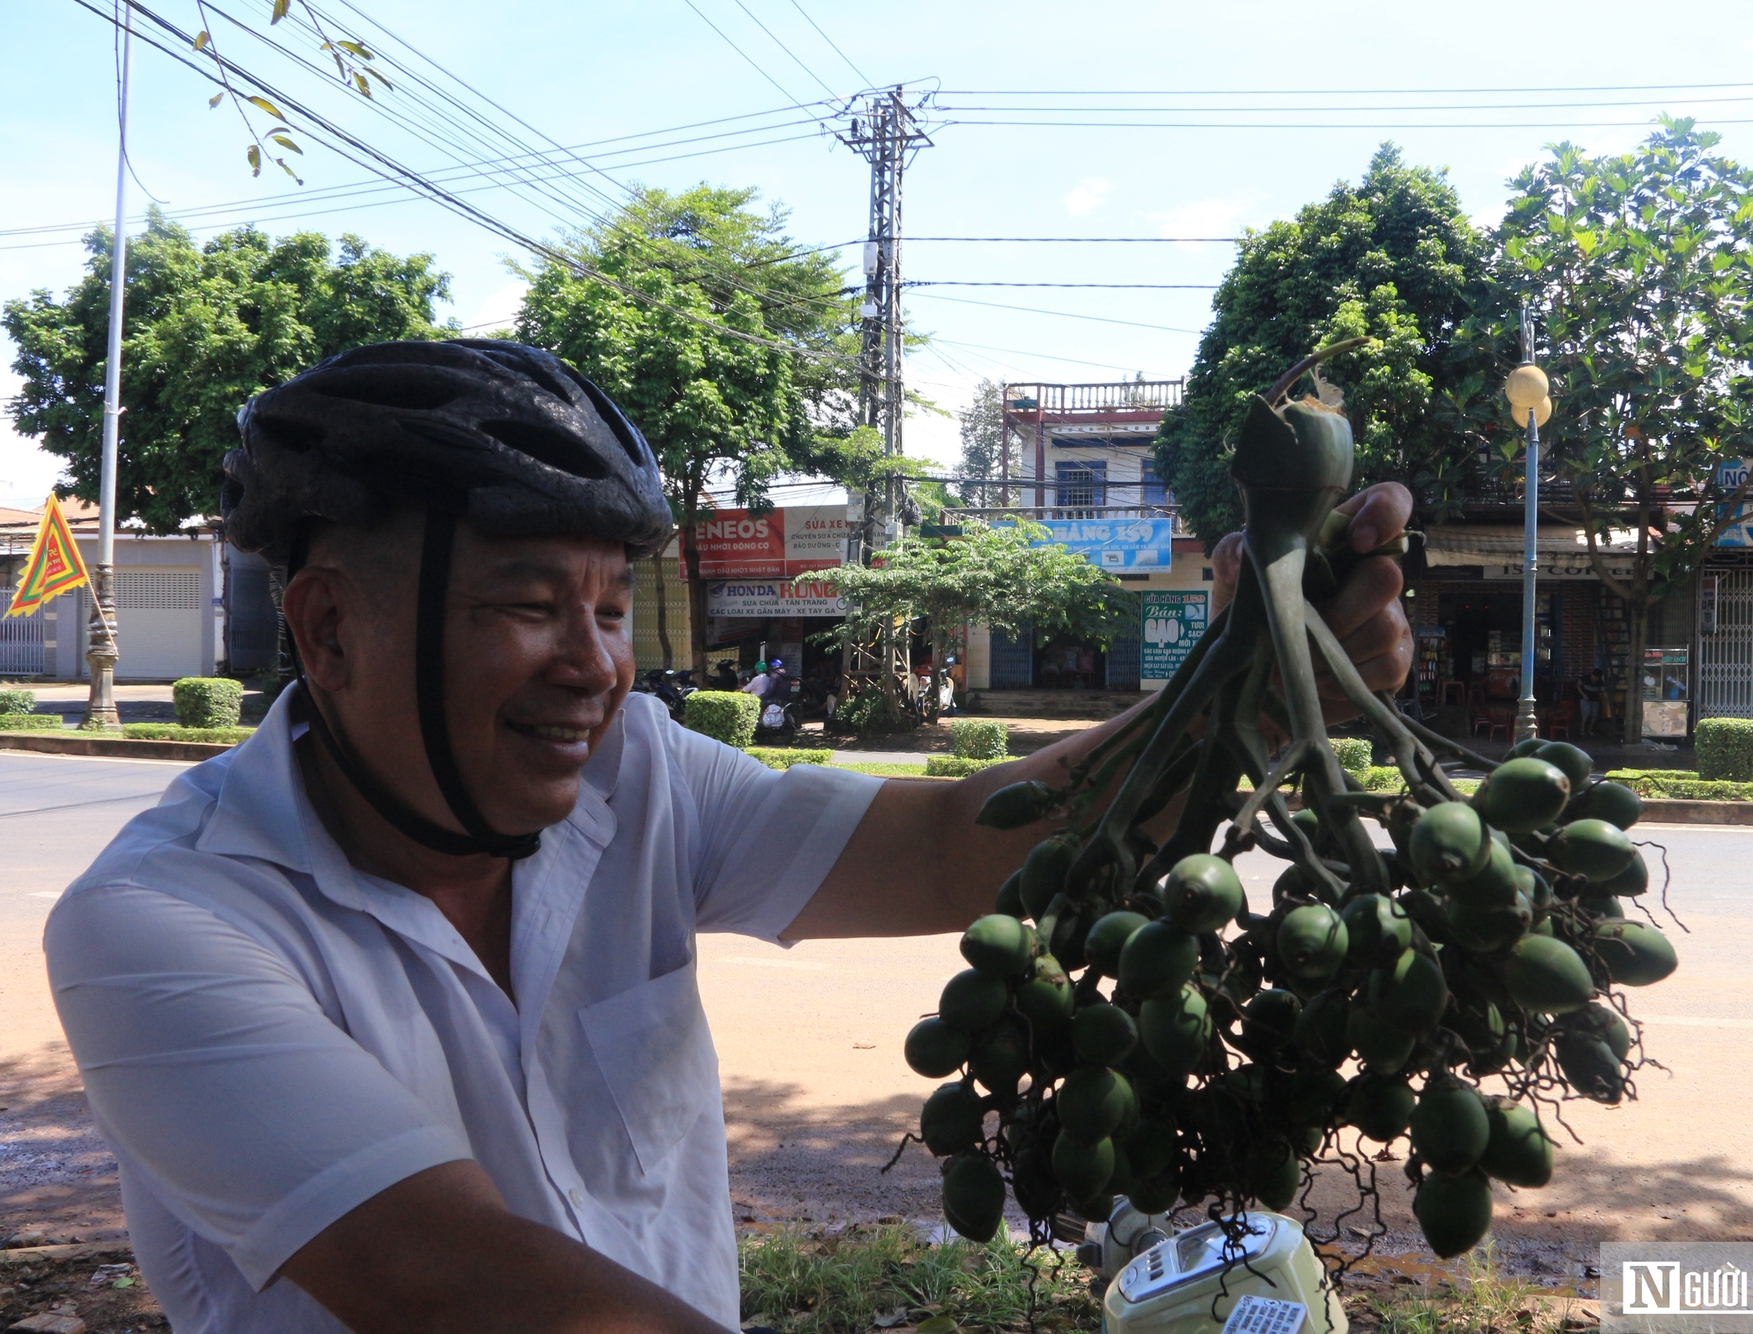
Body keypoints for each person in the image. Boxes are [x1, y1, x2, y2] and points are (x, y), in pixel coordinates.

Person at [42, 339, 1414, 1334]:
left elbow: (955, 844)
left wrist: (1254, 683)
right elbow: (448, 1281)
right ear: (330, 627)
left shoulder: (641, 774)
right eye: (529, 603)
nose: (596, 666)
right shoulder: (161, 923)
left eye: (607, 607)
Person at [1578, 666, 1607, 736]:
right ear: (1592, 675)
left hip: (1595, 700)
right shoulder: (1585, 678)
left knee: (1594, 715)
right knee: (1586, 714)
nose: (1596, 679)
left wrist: (1606, 698)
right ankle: (1582, 731)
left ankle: (1589, 730)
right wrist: (1583, 695)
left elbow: (1603, 691)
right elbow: (1578, 686)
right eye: (1595, 677)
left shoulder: (1600, 682)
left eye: (1598, 678)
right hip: (1584, 700)